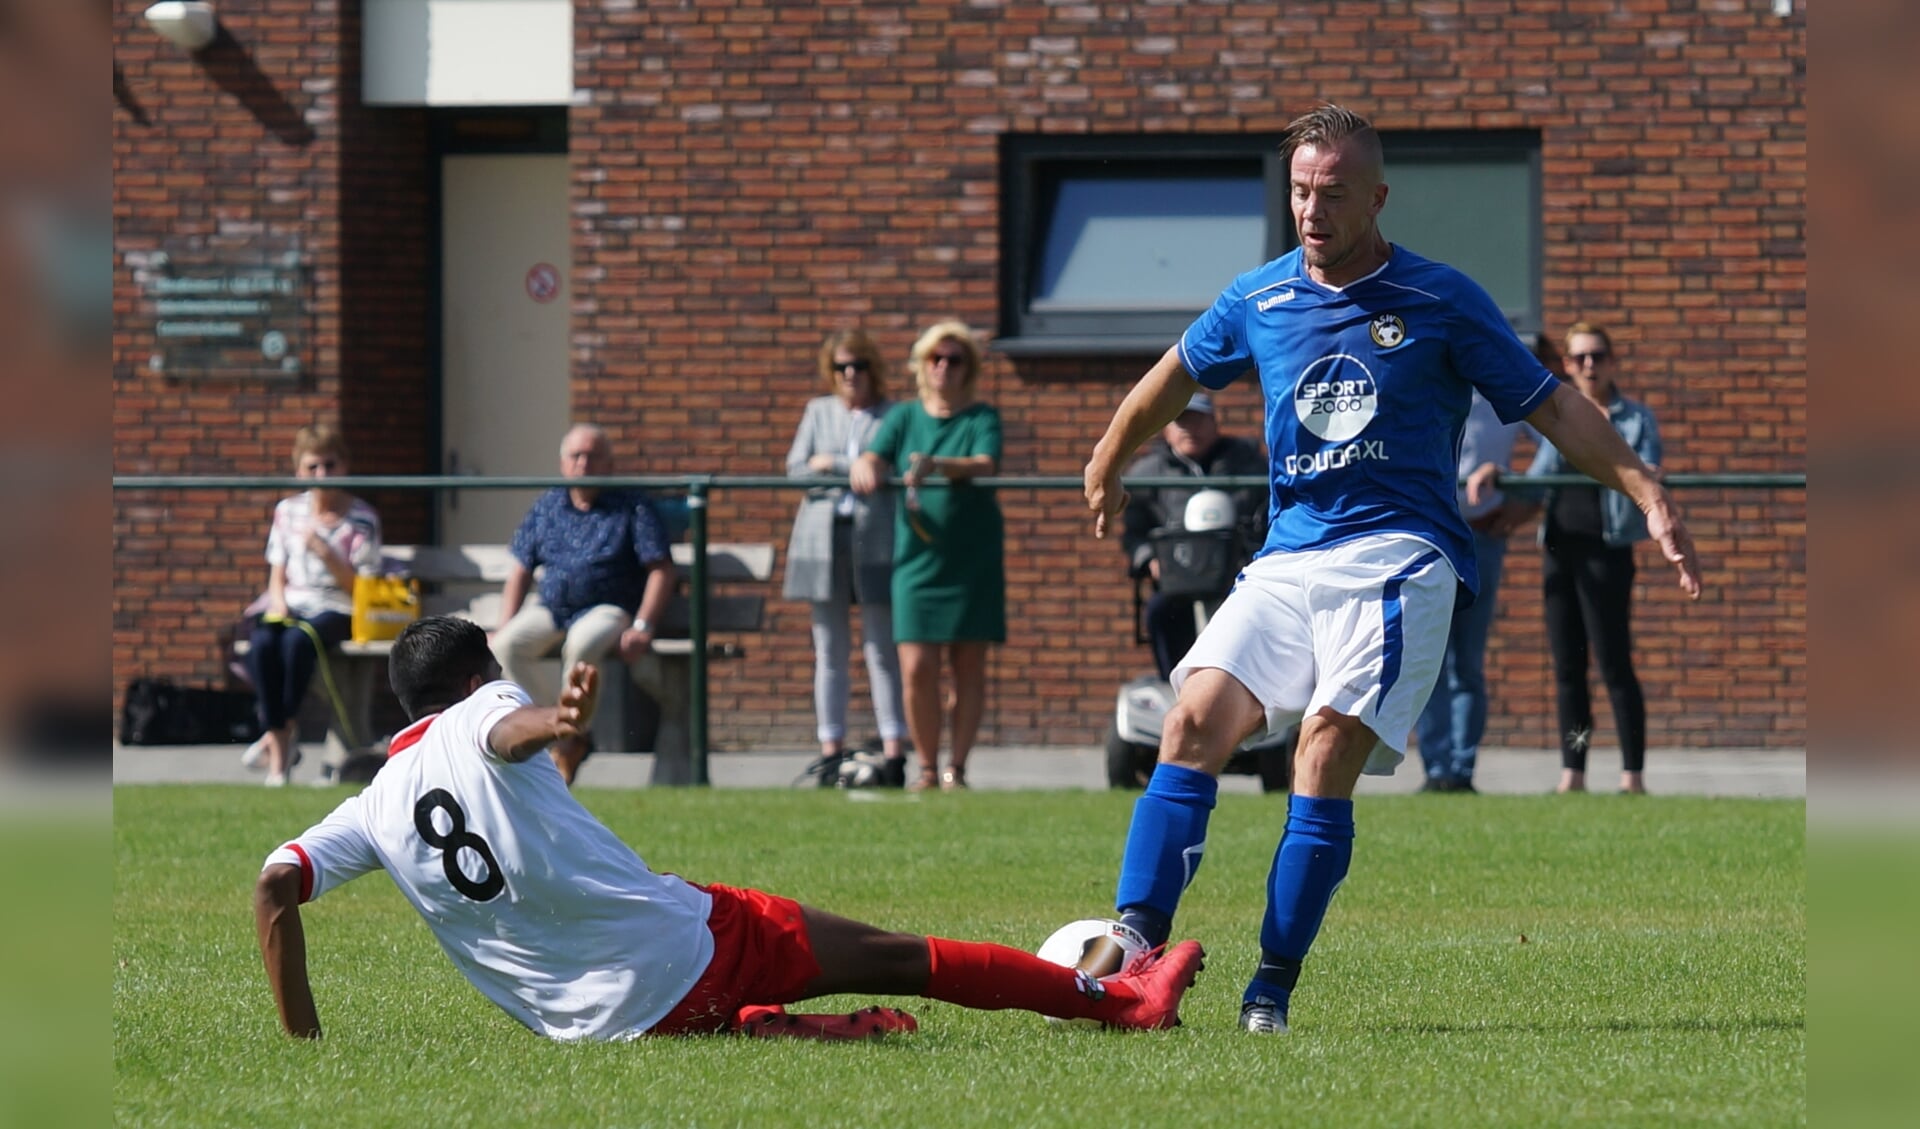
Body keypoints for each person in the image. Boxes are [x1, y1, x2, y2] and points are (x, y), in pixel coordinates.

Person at [1080, 105, 1701, 1035]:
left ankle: (1269, 989)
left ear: (1376, 197)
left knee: (1321, 747)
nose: (1312, 211)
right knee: (1189, 720)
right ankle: (1134, 945)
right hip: (1290, 555)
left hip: (1401, 556)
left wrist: (1644, 486)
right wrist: (1108, 456)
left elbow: (1551, 408)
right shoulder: (1260, 297)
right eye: (1299, 190)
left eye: (1333, 193)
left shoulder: (1443, 298)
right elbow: (1173, 373)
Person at [252, 616, 1204, 1042]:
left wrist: (303, 1043)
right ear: (472, 676)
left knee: (748, 981)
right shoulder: (483, 707)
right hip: (687, 954)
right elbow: (508, 730)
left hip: (590, 1030)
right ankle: (1122, 1002)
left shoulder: (371, 804)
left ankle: (774, 1028)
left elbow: (273, 885)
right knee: (904, 955)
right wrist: (561, 716)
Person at [1500, 322, 1665, 796]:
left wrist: (1632, 465)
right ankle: (1573, 770)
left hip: (1608, 552)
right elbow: (1536, 480)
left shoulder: (1634, 419)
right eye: (1578, 358)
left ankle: (1632, 774)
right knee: (1568, 666)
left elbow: (1647, 473)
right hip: (1559, 551)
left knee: (1614, 664)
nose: (1588, 365)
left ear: (1612, 362)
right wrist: (1498, 479)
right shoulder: (1557, 416)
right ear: (1567, 365)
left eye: (1597, 356)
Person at [850, 321, 1005, 793]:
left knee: (968, 667)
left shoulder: (981, 417)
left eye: (954, 359)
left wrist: (939, 465)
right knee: (916, 667)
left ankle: (955, 768)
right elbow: (876, 455)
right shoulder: (903, 416)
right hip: (917, 560)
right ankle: (924, 767)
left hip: (971, 558)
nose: (943, 367)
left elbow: (985, 462)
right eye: (935, 358)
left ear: (968, 369)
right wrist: (866, 464)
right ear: (921, 365)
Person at [490, 424, 675, 786]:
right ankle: (563, 731)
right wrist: (504, 622)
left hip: (610, 607)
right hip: (552, 608)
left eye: (593, 456)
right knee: (506, 646)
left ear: (609, 463)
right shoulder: (548, 505)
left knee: (582, 643)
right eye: (576, 456)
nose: (583, 463)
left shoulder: (632, 505)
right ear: (563, 463)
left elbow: (661, 569)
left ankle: (568, 736)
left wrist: (643, 626)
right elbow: (521, 570)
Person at [1411, 335, 1556, 793]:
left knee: (1467, 662)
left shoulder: (1504, 391)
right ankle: (1435, 768)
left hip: (1480, 536)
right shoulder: (1422, 383)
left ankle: (1462, 768)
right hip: (1425, 534)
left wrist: (1521, 492)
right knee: (1429, 658)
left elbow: (1555, 437)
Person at [782, 330, 909, 787]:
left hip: (874, 537)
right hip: (822, 536)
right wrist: (842, 467)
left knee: (881, 646)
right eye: (842, 367)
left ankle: (894, 749)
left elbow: (895, 467)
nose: (851, 375)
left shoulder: (893, 415)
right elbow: (796, 468)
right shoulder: (818, 411)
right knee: (829, 648)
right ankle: (830, 749)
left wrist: (834, 465)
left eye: (859, 365)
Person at [242, 424, 381, 787]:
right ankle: (281, 740)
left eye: (330, 465)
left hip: (339, 606)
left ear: (344, 466)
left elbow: (362, 589)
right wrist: (277, 604)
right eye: (313, 467)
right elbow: (277, 571)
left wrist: (328, 554)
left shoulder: (363, 518)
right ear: (299, 471)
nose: (322, 475)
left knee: (296, 644)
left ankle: (279, 743)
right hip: (293, 601)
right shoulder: (287, 512)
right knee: (260, 646)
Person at [1119, 392, 1269, 681]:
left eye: (1198, 420)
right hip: (1179, 581)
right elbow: (1134, 532)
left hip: (1239, 578)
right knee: (1160, 612)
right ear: (1166, 428)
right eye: (1181, 421)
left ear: (1214, 422)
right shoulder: (1147, 473)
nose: (1190, 429)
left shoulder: (1249, 464)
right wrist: (1149, 559)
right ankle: (1176, 685)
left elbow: (1270, 516)